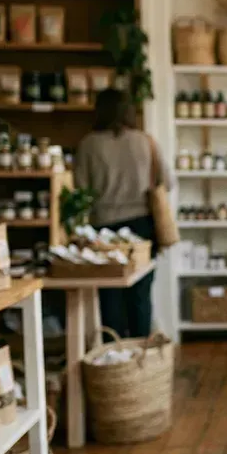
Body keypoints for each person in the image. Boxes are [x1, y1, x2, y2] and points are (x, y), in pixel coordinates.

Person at [74, 88, 173, 338]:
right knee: (140, 294)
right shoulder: (145, 142)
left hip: (103, 230)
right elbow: (167, 182)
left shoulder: (88, 144)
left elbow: (80, 190)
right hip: (142, 226)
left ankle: (114, 352)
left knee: (109, 296)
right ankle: (140, 358)